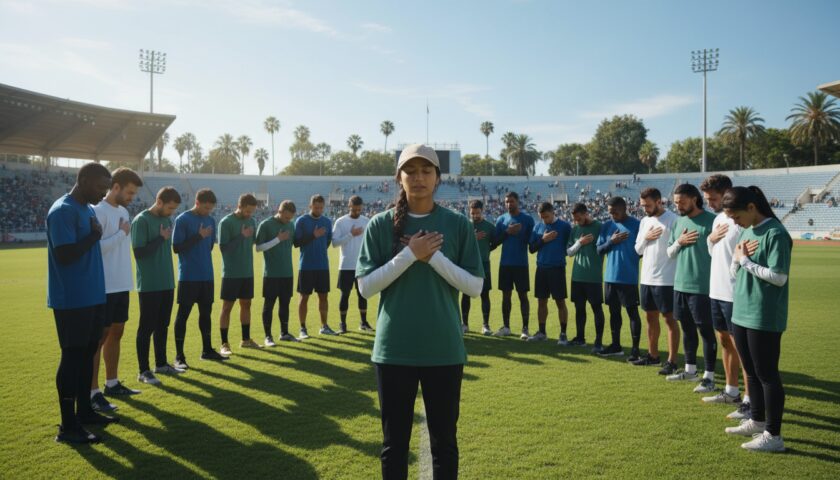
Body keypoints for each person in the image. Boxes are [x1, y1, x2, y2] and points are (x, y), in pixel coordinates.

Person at [356, 144, 484, 479]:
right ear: (398, 178)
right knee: (394, 445)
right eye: (410, 171)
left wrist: (434, 258)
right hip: (394, 350)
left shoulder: (456, 224)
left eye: (426, 170)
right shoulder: (380, 225)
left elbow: (475, 286)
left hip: (443, 349)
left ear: (438, 178)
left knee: (445, 445)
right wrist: (409, 254)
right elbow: (366, 287)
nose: (418, 177)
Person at [48, 162, 116, 444]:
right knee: (73, 356)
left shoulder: (87, 209)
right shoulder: (62, 210)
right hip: (72, 298)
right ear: (84, 180)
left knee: (88, 353)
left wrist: (93, 236)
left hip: (92, 295)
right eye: (100, 187)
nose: (103, 194)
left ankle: (85, 412)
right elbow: (64, 255)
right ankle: (67, 426)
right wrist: (94, 236)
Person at [721, 186, 791, 453]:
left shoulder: (775, 233)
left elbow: (779, 277)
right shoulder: (747, 230)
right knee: (750, 371)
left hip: (764, 314)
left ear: (751, 207)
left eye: (736, 216)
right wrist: (738, 261)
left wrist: (746, 261)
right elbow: (734, 271)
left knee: (767, 375)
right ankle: (757, 419)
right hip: (742, 311)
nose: (733, 222)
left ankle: (774, 435)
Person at [90, 168, 143, 414]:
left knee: (117, 333)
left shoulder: (123, 211)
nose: (132, 197)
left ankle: (112, 383)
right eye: (130, 192)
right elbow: (96, 249)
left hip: (122, 284)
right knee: (98, 340)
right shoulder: (97, 211)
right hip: (104, 286)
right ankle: (92, 393)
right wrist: (122, 233)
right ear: (116, 187)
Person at [700, 175, 750, 416]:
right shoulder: (719, 219)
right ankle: (731, 390)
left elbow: (744, 257)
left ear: (727, 193)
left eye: (713, 198)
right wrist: (710, 239)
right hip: (716, 290)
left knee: (743, 348)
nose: (709, 203)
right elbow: (715, 253)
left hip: (735, 293)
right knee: (724, 341)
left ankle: (750, 400)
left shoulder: (740, 220)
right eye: (707, 199)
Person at [665, 184, 718, 393]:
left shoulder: (712, 221)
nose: (678, 206)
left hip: (702, 286)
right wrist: (679, 241)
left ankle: (710, 376)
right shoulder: (678, 222)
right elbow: (670, 252)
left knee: (706, 331)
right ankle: (690, 369)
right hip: (680, 284)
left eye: (682, 202)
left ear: (695, 199)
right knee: (686, 328)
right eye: (676, 202)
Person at [132, 186, 183, 385]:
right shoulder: (141, 220)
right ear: (159, 202)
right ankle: (143, 371)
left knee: (163, 325)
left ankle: (161, 364)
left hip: (166, 282)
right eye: (170, 208)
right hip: (149, 284)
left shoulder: (166, 219)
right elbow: (139, 253)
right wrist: (160, 237)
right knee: (146, 327)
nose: (172, 213)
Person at [172, 188, 226, 365]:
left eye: (210, 208)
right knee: (183, 315)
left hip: (207, 276)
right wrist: (198, 236)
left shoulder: (210, 219)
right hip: (188, 276)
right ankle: (179, 356)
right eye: (205, 208)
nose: (207, 211)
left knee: (206, 314)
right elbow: (177, 247)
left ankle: (207, 350)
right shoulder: (183, 219)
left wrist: (202, 238)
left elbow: (209, 247)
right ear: (197, 203)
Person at [633, 188, 680, 371]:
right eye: (643, 205)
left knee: (669, 319)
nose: (645, 209)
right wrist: (645, 238)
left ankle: (672, 361)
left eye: (648, 205)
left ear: (659, 201)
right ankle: (652, 356)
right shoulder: (644, 221)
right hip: (646, 278)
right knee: (650, 317)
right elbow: (638, 250)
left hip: (666, 280)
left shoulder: (673, 220)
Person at [595, 197, 642, 358]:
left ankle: (635, 349)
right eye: (610, 212)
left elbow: (642, 251)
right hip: (610, 277)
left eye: (615, 211)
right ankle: (616, 345)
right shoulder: (607, 226)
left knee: (632, 313)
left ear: (624, 208)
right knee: (614, 313)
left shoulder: (637, 225)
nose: (612, 215)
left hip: (628, 277)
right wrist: (611, 241)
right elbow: (599, 250)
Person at [218, 193, 260, 354]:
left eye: (252, 211)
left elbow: (256, 241)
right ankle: (224, 343)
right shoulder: (226, 222)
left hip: (247, 271)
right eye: (248, 211)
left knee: (246, 304)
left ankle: (246, 339)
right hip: (231, 273)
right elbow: (224, 249)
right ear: (240, 206)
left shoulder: (251, 221)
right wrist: (242, 236)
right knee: (227, 306)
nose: (250, 214)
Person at [527, 202, 572, 343]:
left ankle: (563, 334)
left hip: (557, 268)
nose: (544, 220)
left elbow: (570, 247)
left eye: (546, 216)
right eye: (542, 217)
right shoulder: (538, 226)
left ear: (553, 212)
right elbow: (532, 248)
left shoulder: (565, 227)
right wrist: (543, 240)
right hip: (541, 269)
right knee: (541, 301)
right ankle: (542, 332)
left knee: (560, 301)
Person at [255, 200, 299, 345]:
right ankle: (268, 336)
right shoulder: (266, 225)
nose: (288, 220)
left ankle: (284, 333)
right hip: (271, 273)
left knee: (285, 304)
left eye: (290, 218)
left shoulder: (291, 225)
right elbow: (259, 248)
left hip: (287, 272)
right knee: (269, 304)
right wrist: (277, 239)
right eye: (286, 217)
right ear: (279, 211)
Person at [493, 191, 535, 339]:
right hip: (505, 264)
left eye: (511, 201)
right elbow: (494, 242)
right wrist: (507, 232)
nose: (509, 204)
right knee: (506, 296)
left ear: (517, 201)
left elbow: (531, 243)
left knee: (523, 296)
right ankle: (506, 327)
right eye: (506, 202)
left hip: (521, 264)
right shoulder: (501, 219)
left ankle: (525, 329)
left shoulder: (528, 220)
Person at [294, 194, 335, 338]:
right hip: (306, 266)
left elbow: (328, 241)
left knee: (323, 297)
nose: (319, 210)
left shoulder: (327, 222)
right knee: (304, 297)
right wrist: (313, 236)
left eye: (321, 208)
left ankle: (324, 326)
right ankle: (302, 328)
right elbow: (296, 243)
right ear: (310, 206)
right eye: (316, 207)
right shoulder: (302, 221)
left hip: (323, 265)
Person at [566, 203, 605, 350]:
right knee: (579, 308)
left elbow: (604, 247)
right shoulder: (575, 229)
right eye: (575, 219)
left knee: (596, 308)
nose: (577, 221)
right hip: (577, 276)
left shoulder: (599, 227)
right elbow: (569, 252)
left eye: (579, 218)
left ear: (586, 213)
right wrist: (579, 243)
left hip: (593, 276)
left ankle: (598, 341)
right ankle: (580, 338)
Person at [332, 195, 373, 334]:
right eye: (354, 209)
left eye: (359, 209)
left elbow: (370, 242)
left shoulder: (366, 221)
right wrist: (351, 234)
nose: (356, 212)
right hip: (346, 265)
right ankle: (342, 324)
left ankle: (363, 322)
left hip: (361, 265)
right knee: (345, 295)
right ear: (349, 206)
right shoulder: (341, 222)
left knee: (362, 294)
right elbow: (335, 243)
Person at [462, 200, 496, 335]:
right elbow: (460, 244)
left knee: (485, 294)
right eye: (472, 213)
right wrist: (472, 238)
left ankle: (486, 325)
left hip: (484, 264)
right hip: (467, 263)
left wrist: (486, 250)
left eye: (477, 213)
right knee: (466, 294)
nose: (475, 216)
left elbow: (495, 242)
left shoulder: (489, 227)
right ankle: (464, 324)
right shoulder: (466, 226)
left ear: (483, 211)